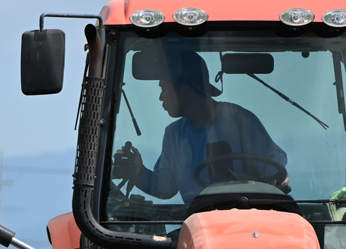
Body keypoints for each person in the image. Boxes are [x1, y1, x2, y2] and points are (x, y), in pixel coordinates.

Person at [112, 51, 287, 203]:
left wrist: (270, 182)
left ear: (184, 91)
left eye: (164, 89)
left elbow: (273, 165)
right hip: (199, 222)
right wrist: (138, 171)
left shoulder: (239, 120)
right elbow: (165, 187)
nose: (160, 97)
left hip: (245, 219)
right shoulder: (174, 134)